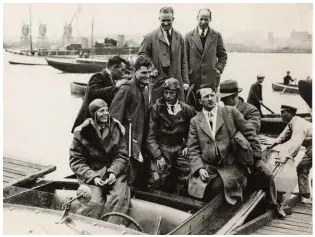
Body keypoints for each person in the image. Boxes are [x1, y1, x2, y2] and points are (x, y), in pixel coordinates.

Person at [187, 84, 263, 206]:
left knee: (219, 188)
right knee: (197, 191)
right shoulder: (195, 121)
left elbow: (250, 133)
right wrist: (199, 168)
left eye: (212, 95)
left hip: (230, 165)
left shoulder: (230, 112)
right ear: (200, 101)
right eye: (206, 97)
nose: (211, 99)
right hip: (209, 167)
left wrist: (258, 157)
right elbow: (193, 148)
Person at [219, 80, 286, 217]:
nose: (223, 103)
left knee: (267, 175)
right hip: (228, 152)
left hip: (247, 150)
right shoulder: (222, 110)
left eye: (225, 100)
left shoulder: (251, 110)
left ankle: (273, 202)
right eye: (222, 100)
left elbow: (252, 130)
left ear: (234, 97)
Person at [70, 99, 130, 224]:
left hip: (114, 172)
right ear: (93, 114)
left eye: (107, 110)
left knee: (118, 198)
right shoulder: (82, 132)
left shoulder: (116, 128)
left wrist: (113, 173)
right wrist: (93, 177)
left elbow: (122, 155)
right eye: (101, 111)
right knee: (93, 202)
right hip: (92, 172)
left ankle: (112, 229)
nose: (106, 113)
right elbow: (76, 161)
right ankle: (87, 228)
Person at [147, 78, 195, 194]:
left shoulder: (186, 109)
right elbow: (150, 136)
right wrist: (158, 156)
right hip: (162, 147)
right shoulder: (156, 108)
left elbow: (192, 131)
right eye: (166, 92)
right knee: (157, 177)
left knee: (186, 173)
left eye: (171, 93)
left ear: (177, 93)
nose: (168, 96)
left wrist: (187, 146)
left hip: (179, 147)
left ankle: (180, 202)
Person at [110, 56, 152, 187]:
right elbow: (114, 119)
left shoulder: (145, 90)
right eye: (144, 73)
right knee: (127, 178)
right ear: (135, 71)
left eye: (149, 72)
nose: (147, 76)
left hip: (140, 142)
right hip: (128, 142)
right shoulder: (126, 89)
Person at [138, 6, 189, 104]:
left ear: (173, 19)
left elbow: (184, 61)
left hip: (176, 81)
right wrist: (151, 68)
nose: (166, 23)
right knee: (157, 110)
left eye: (168, 20)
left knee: (177, 111)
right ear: (159, 19)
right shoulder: (151, 36)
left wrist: (186, 81)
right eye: (163, 20)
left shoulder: (179, 37)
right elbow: (141, 55)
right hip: (158, 82)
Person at [268, 105, 312, 204]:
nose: (281, 115)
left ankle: (305, 196)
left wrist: (286, 158)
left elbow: (296, 143)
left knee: (302, 167)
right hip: (310, 147)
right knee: (302, 167)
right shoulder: (292, 123)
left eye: (283, 112)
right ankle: (305, 194)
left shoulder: (298, 124)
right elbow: (283, 136)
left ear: (289, 112)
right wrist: (270, 146)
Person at [71, 56, 128, 133]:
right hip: (87, 123)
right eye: (122, 70)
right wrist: (116, 86)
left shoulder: (112, 80)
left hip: (98, 123)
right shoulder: (98, 76)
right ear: (114, 68)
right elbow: (93, 93)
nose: (123, 74)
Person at [185, 8, 227, 95]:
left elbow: (223, 55)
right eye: (201, 19)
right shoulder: (188, 36)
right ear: (197, 18)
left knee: (210, 106)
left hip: (211, 81)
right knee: (193, 106)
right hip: (193, 81)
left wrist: (218, 69)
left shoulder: (216, 36)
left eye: (206, 19)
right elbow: (184, 58)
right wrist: (187, 76)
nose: (203, 22)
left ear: (210, 19)